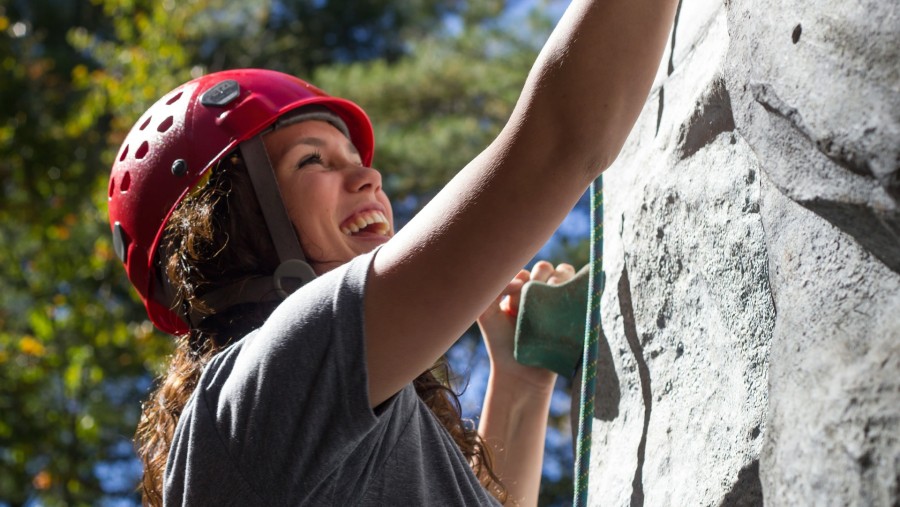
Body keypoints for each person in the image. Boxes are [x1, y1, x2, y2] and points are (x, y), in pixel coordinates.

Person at [108, 0, 678, 504]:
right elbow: (557, 141)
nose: (368, 176)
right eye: (313, 161)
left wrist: (521, 382)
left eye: (353, 156)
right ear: (232, 224)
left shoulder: (308, 431)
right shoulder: (260, 394)